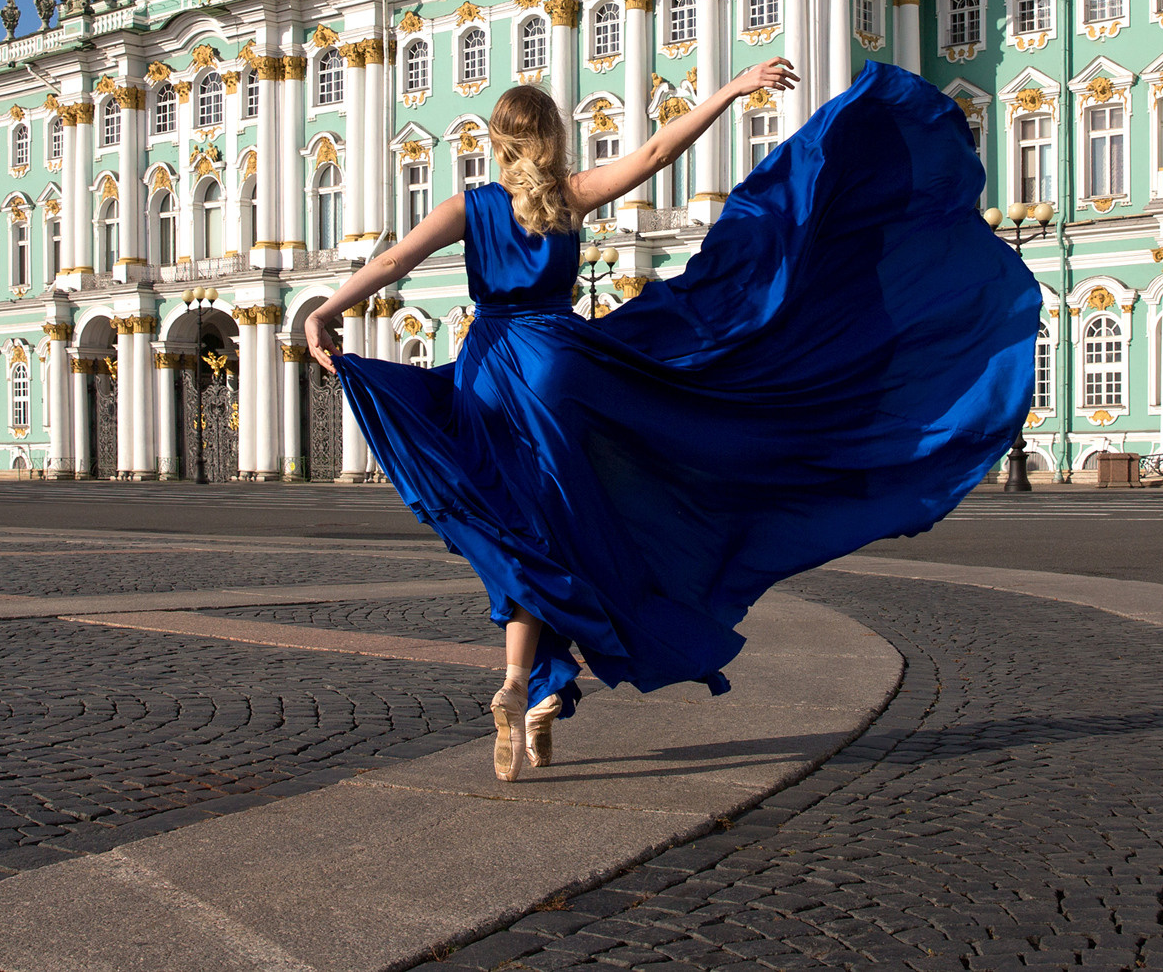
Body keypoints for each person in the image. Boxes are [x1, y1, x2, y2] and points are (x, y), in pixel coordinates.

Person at [306, 57, 1038, 783]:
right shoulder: (570, 197)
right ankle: (540, 684)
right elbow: (658, 152)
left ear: (497, 142)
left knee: (520, 530)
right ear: (553, 137)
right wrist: (733, 87)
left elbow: (392, 263)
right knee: (574, 523)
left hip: (487, 374)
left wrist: (327, 310)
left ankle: (523, 678)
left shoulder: (468, 208)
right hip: (559, 369)